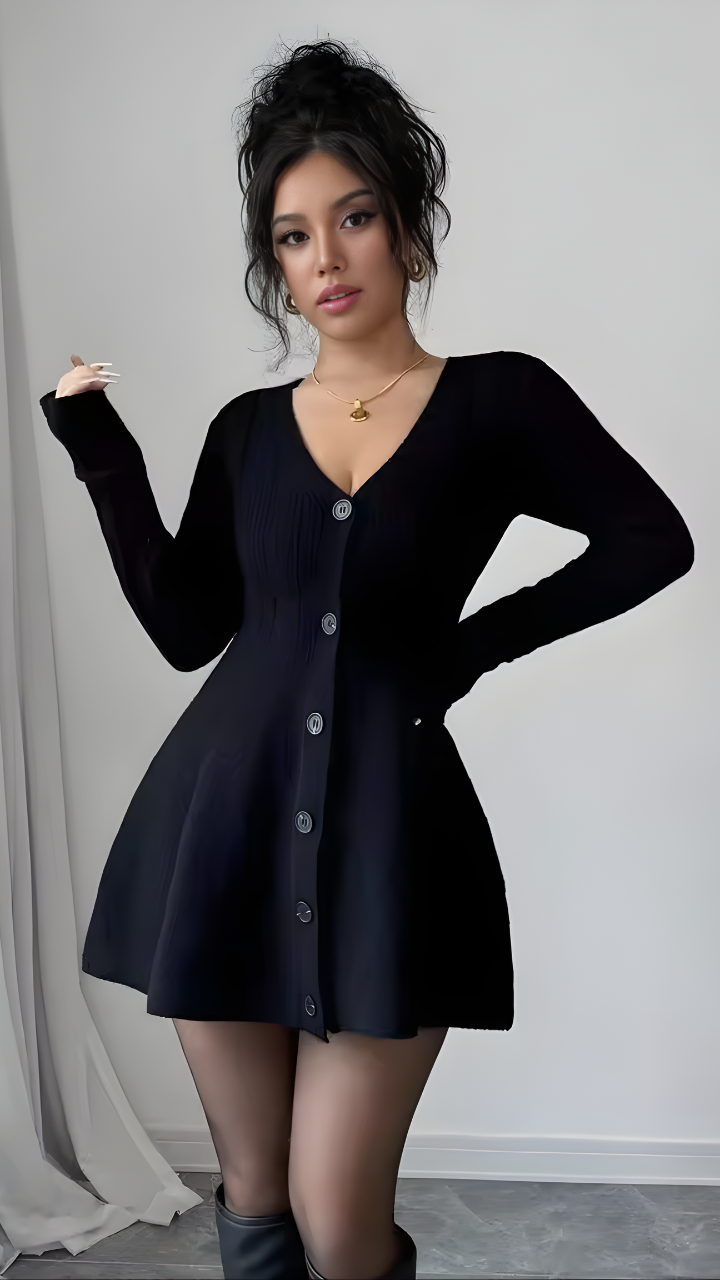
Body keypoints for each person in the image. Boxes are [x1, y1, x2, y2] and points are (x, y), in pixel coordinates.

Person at [39, 39, 693, 1280]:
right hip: (221, 832)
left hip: (393, 838)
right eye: (293, 237)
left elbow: (652, 540)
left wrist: (472, 648)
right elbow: (186, 628)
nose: (327, 260)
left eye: (354, 218)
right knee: (255, 1197)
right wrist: (99, 449)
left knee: (338, 1222)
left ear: (408, 230)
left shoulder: (501, 400)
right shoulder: (246, 432)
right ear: (274, 265)